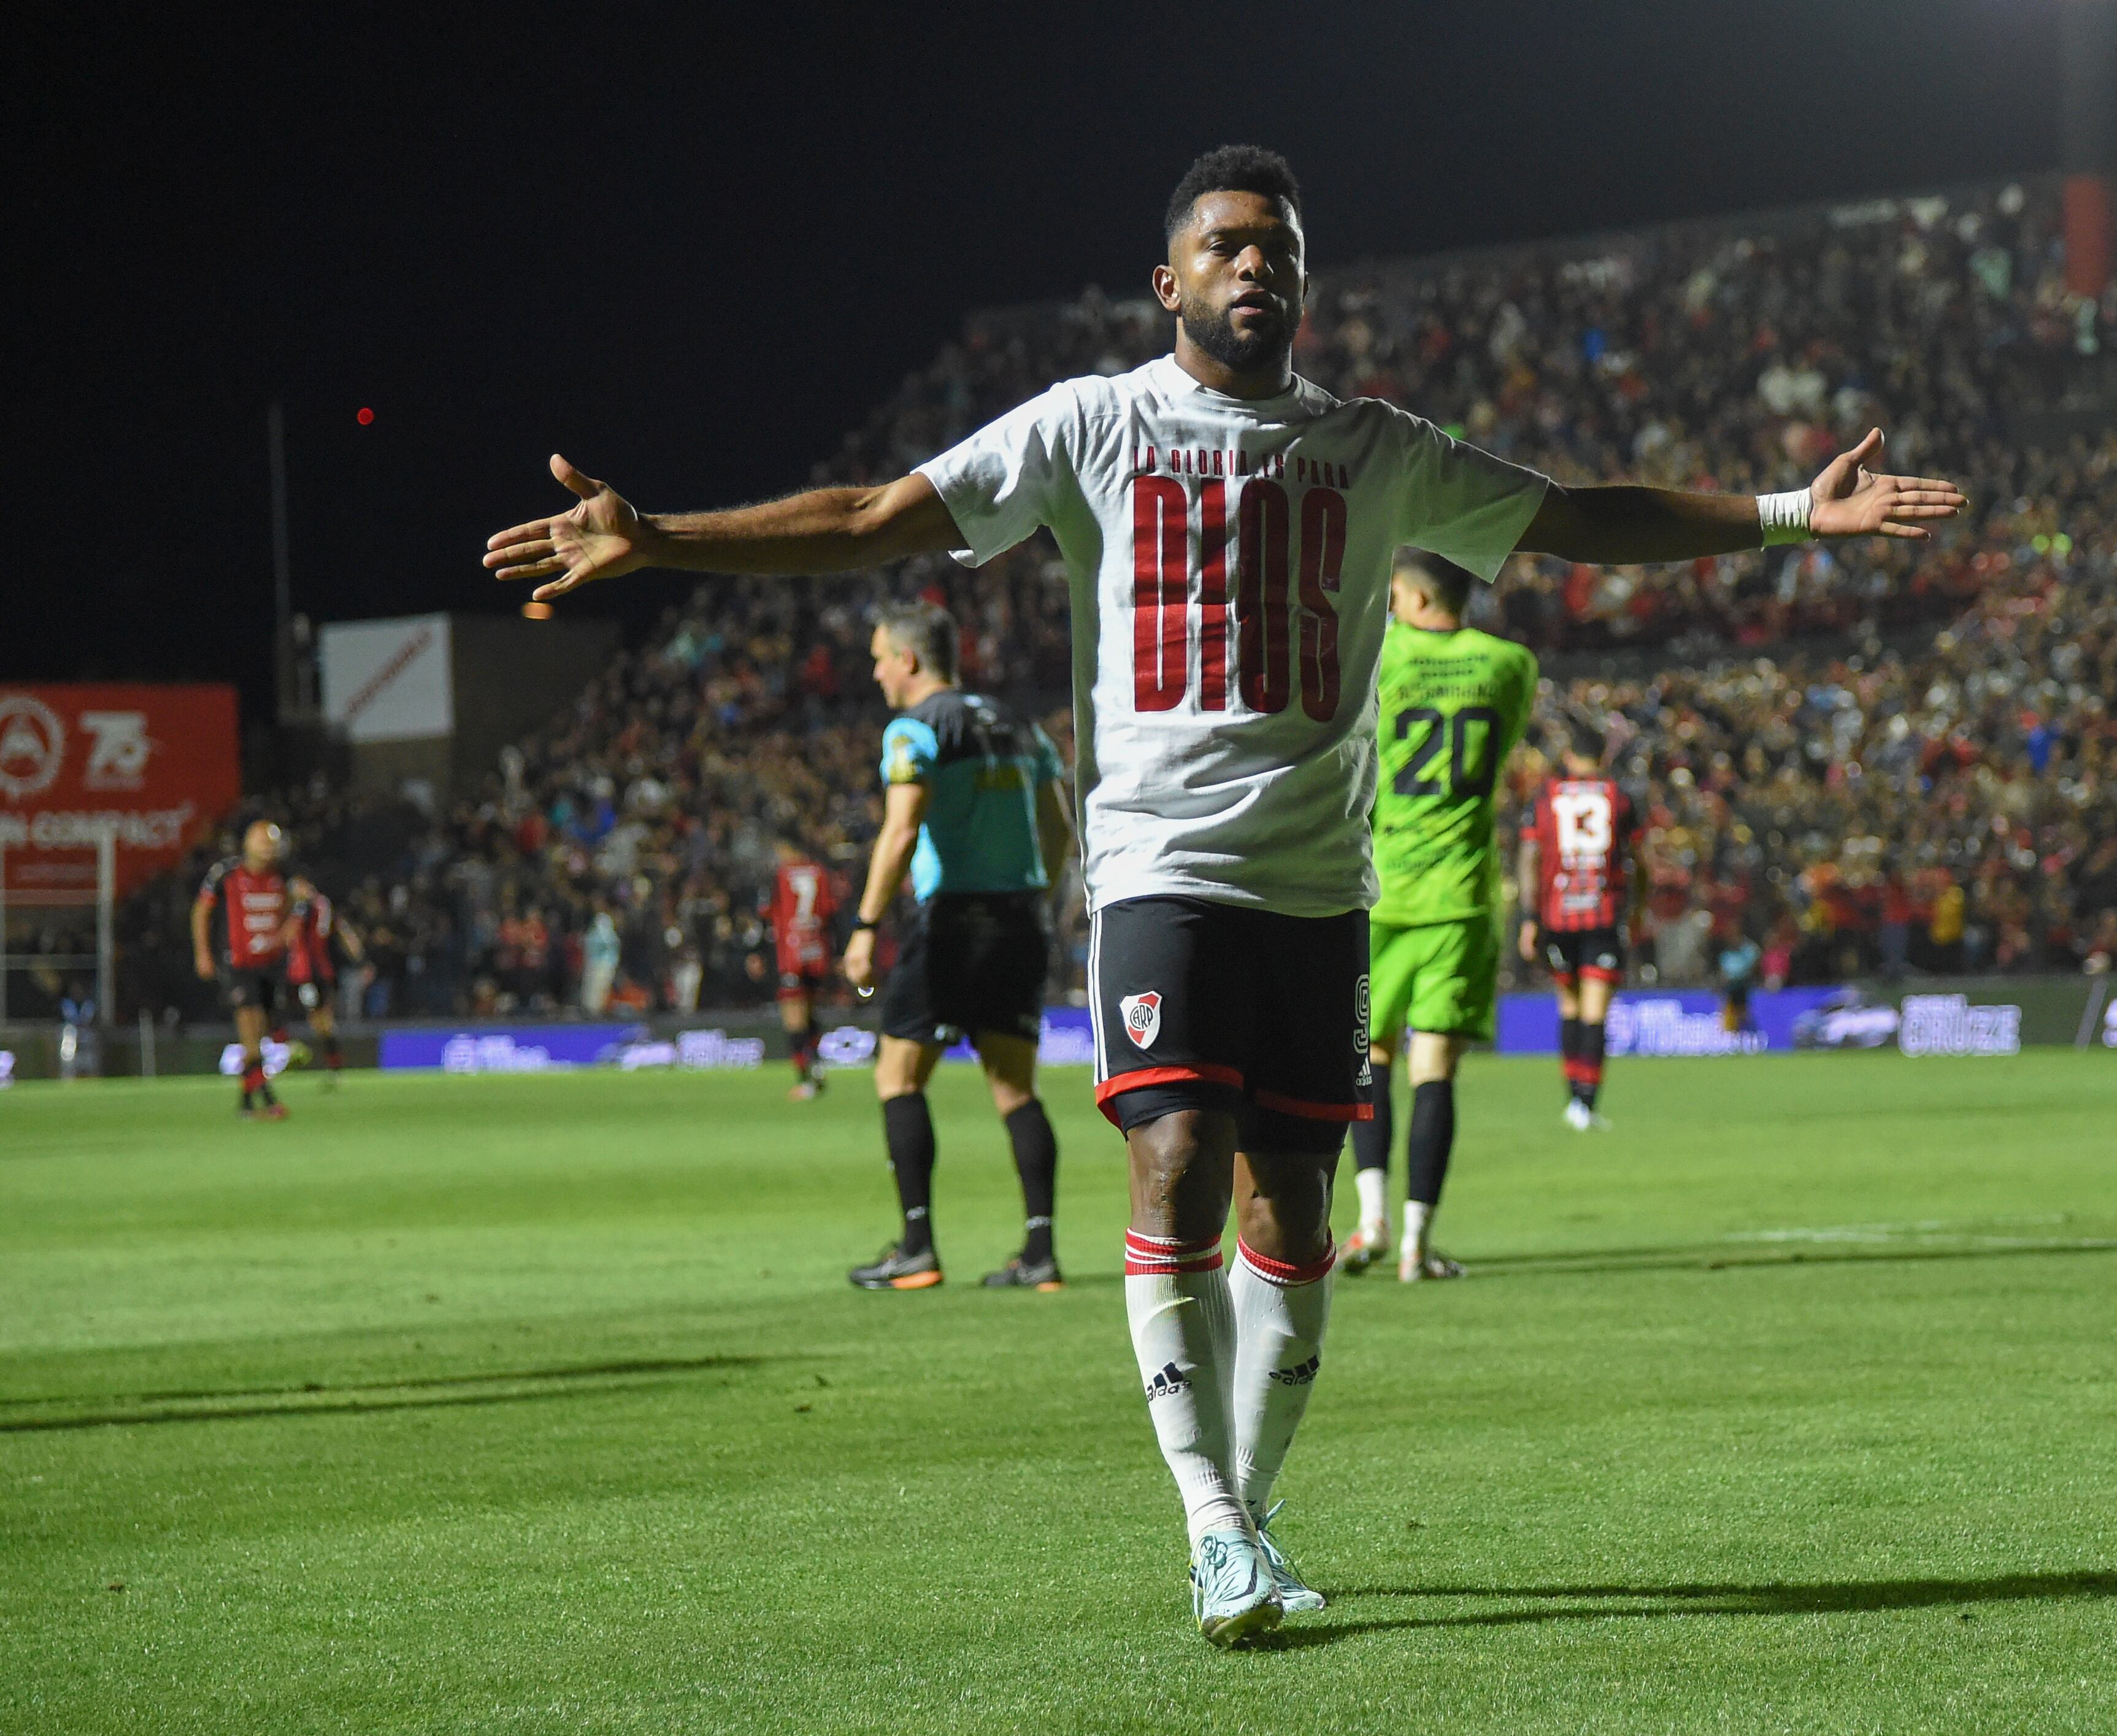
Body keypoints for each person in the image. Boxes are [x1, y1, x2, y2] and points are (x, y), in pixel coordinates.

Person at [481, 144, 1962, 1646]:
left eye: (1281, 251)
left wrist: (1788, 513)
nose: (1258, 267)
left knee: (1298, 1204)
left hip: (1322, 885)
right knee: (1177, 1150)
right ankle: (1208, 1521)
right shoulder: (1092, 426)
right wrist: (659, 537)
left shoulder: (1378, 447)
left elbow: (1581, 515)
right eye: (1229, 245)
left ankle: (1246, 1519)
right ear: (1169, 279)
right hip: (1159, 868)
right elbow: (875, 515)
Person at [840, 602, 1072, 1292]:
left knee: (898, 1077)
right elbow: (1059, 828)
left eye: (881, 657)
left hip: (951, 927)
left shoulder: (914, 730)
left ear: (908, 660)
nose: (877, 672)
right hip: (1020, 922)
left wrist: (865, 925)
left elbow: (902, 829)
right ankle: (1041, 1256)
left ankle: (916, 1249)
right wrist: (1036, 896)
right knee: (1014, 1088)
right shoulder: (1019, 724)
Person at [1342, 550, 1535, 1283]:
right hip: (1460, 895)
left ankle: (1370, 1222)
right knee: (1436, 1068)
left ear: (1416, 597)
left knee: (1372, 1056)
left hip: (1382, 887)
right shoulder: (1509, 663)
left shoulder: (1382, 655)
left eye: (1392, 596)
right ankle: (1419, 1247)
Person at [1517, 729, 1648, 1129]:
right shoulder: (1619, 796)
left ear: (1570, 755)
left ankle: (1574, 1100)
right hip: (1602, 913)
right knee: (1594, 1010)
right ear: (1603, 755)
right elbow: (1639, 860)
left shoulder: (1546, 795)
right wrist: (1638, 907)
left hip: (1557, 916)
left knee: (1570, 1005)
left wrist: (1528, 919)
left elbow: (1529, 857)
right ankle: (1586, 1104)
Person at [191, 821, 293, 1120]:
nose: (268, 848)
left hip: (270, 965)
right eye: (263, 842)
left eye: (272, 842)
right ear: (248, 844)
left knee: (257, 1033)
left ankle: (246, 1103)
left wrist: (284, 937)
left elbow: (291, 908)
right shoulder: (226, 874)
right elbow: (200, 911)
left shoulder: (282, 876)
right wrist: (203, 953)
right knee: (250, 1025)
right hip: (237, 964)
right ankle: (269, 1098)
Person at [769, 836, 839, 1100]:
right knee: (810, 1014)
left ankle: (806, 1081)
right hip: (816, 953)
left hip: (792, 955)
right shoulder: (820, 872)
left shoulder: (783, 875)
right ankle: (818, 1070)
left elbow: (767, 910)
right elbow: (831, 911)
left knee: (794, 1020)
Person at [283, 877, 366, 1087]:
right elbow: (343, 929)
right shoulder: (324, 904)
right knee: (320, 1019)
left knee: (319, 1021)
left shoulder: (304, 906)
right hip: (322, 970)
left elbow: (290, 934)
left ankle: (321, 1060)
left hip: (306, 972)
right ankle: (329, 1064)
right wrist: (358, 954)